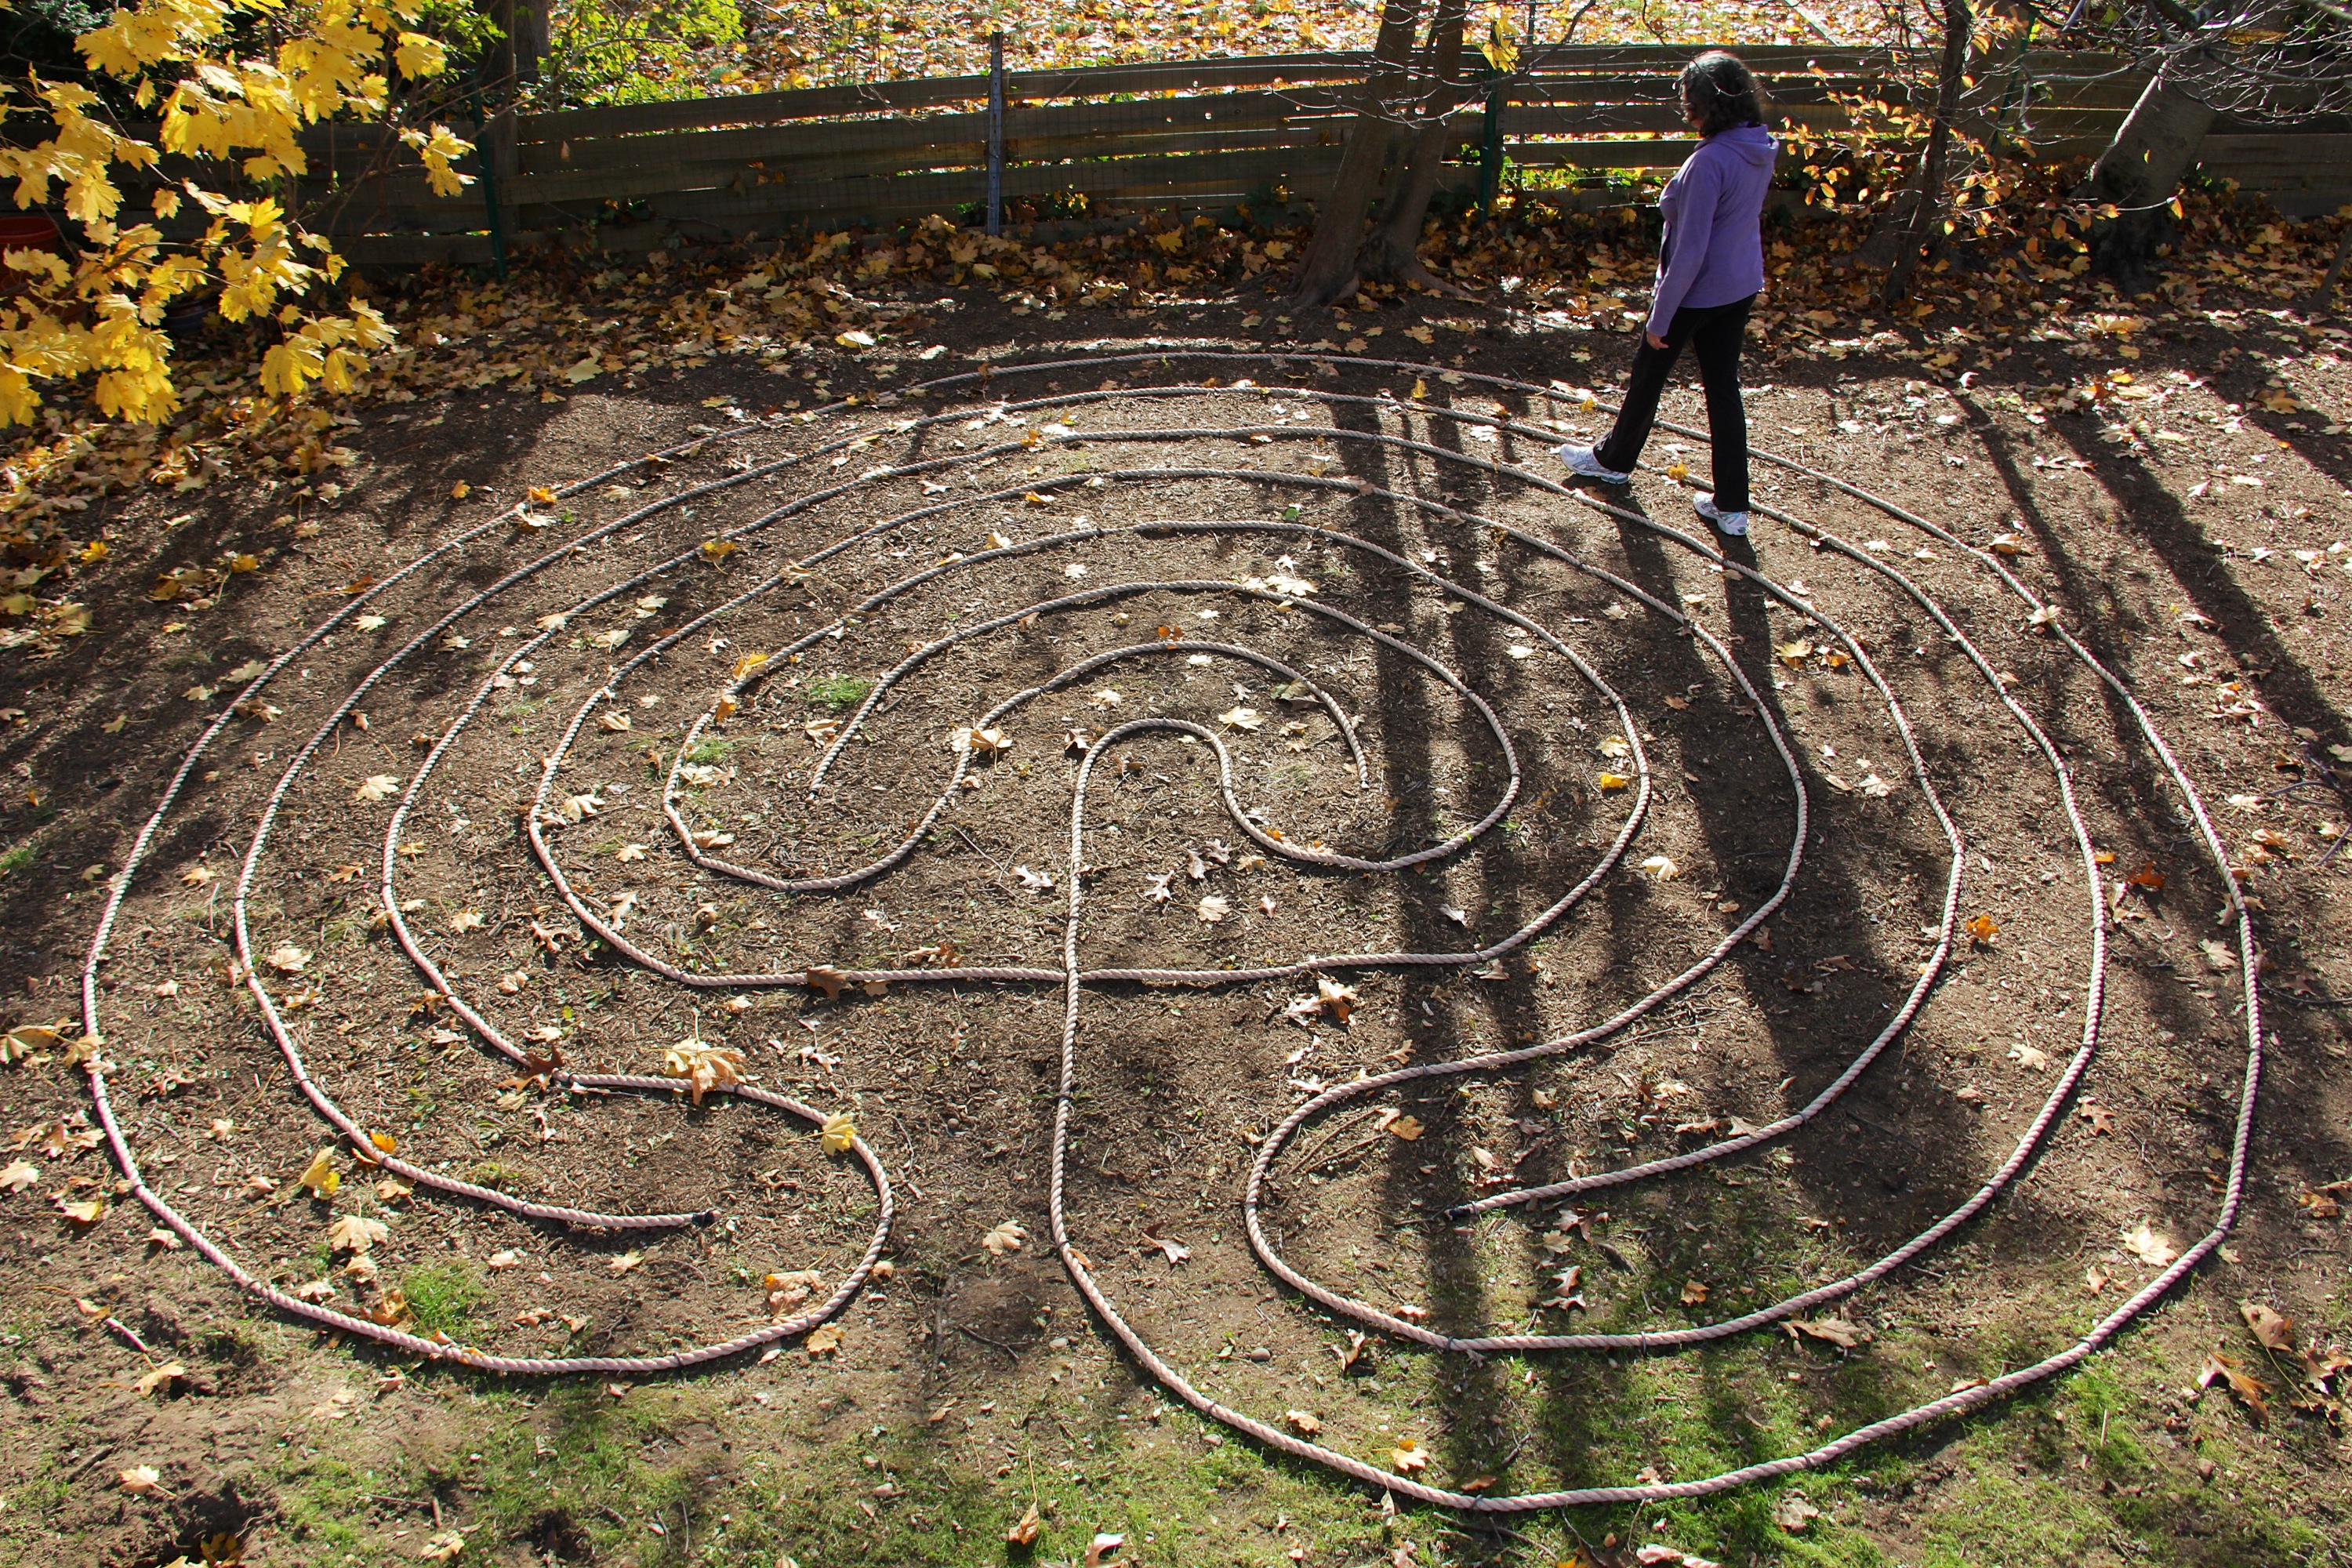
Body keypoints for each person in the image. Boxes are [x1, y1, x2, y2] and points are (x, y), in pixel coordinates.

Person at [1558, 49, 1776, 537]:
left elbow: (1692, 250)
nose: (1683, 106)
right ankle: (1733, 506)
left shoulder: (1709, 164)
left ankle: (1613, 461)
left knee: (1649, 374)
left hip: (1698, 291)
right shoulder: (1758, 144)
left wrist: (1660, 317)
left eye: (1687, 98)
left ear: (1707, 104)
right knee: (1723, 389)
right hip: (1740, 285)